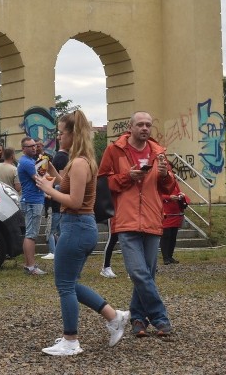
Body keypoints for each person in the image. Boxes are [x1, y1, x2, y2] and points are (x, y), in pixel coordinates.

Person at [33, 111, 130, 356]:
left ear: (72, 134)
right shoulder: (82, 160)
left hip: (76, 225)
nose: (58, 136)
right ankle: (114, 316)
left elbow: (74, 200)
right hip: (81, 227)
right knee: (69, 283)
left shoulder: (78, 162)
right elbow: (66, 182)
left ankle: (71, 340)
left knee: (64, 285)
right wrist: (53, 174)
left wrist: (48, 189)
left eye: (61, 132)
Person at [99, 111, 176, 337]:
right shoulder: (115, 150)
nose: (145, 128)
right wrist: (126, 177)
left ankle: (138, 319)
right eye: (140, 124)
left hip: (152, 219)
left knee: (147, 274)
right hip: (126, 219)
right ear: (130, 127)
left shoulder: (158, 153)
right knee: (138, 272)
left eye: (148, 125)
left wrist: (165, 176)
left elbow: (169, 188)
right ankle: (161, 317)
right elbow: (102, 183)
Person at [17, 136, 46, 275]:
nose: (34, 147)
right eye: (30, 146)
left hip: (31, 199)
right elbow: (40, 179)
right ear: (23, 149)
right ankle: (31, 267)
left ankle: (30, 265)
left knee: (30, 234)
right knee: (31, 234)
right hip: (32, 201)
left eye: (35, 145)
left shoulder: (28, 161)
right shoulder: (27, 162)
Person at [40, 142, 68, 261]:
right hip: (57, 207)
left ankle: (53, 251)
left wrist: (48, 193)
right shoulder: (53, 177)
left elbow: (57, 188)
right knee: (60, 230)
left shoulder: (51, 177)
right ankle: (61, 251)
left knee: (50, 231)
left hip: (54, 208)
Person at [160, 182, 189, 265]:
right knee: (166, 235)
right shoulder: (160, 182)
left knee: (173, 236)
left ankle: (170, 256)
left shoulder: (174, 182)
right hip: (166, 213)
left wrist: (181, 196)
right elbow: (157, 195)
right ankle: (165, 257)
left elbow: (178, 191)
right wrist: (169, 197)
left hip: (176, 213)